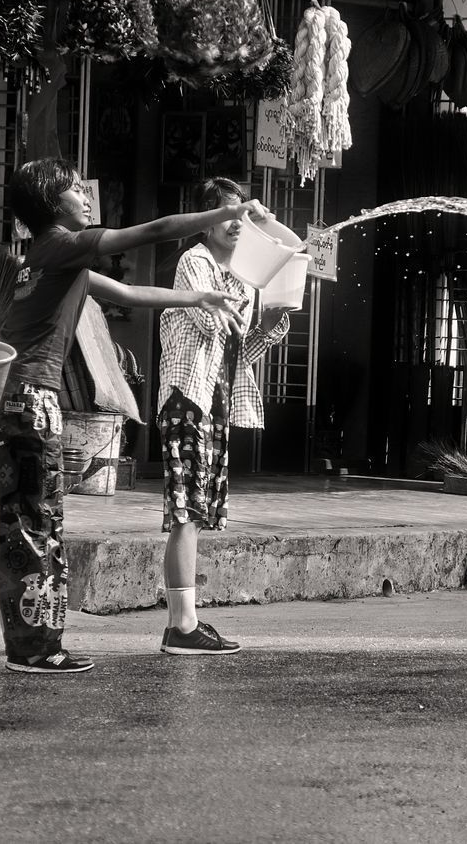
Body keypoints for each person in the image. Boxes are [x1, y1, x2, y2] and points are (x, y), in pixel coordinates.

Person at [0, 158, 259, 675]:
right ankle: (36, 648)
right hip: (32, 400)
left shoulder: (50, 259)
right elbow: (155, 231)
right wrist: (227, 211)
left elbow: (131, 294)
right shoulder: (63, 245)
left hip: (9, 400)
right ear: (53, 205)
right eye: (74, 188)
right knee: (38, 525)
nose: (85, 193)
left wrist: (197, 296)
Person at [156, 177, 295, 655]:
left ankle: (184, 622)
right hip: (186, 400)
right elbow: (209, 319)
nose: (237, 224)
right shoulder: (194, 262)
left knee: (196, 511)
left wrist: (272, 327)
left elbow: (239, 350)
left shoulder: (242, 273)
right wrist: (253, 281)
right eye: (229, 214)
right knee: (185, 512)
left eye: (243, 215)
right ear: (207, 218)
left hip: (215, 404)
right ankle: (182, 627)